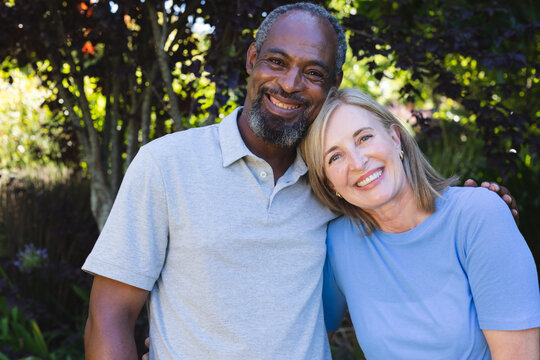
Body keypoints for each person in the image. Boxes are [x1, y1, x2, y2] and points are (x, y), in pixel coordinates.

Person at [83, 3, 518, 359]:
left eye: (312, 72)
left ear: (332, 85)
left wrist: (480, 209)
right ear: (253, 59)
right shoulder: (166, 164)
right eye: (277, 62)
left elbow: (411, 229)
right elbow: (110, 315)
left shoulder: (336, 181)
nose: (289, 84)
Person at [300, 87, 540, 359]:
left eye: (364, 138)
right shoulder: (338, 243)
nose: (357, 162)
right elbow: (300, 339)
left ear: (395, 138)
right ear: (330, 184)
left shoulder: (478, 216)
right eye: (335, 156)